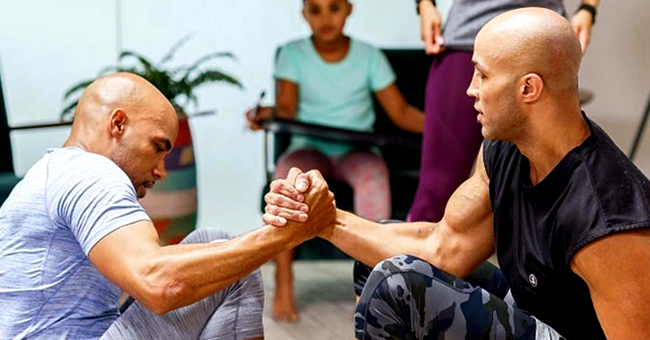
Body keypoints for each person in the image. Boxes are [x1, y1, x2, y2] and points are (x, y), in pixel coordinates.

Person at [263, 8, 650, 340]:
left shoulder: (611, 222)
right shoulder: (504, 149)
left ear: (528, 88)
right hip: (531, 310)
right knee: (381, 256)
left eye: (481, 75)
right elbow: (443, 247)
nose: (469, 90)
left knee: (396, 284)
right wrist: (326, 222)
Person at [0, 72, 335, 340]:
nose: (161, 170)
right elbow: (158, 283)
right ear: (118, 125)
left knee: (219, 253)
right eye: (158, 147)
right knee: (227, 260)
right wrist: (286, 235)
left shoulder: (54, 171)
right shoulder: (91, 172)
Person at [245, 0, 424, 322]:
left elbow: (400, 112)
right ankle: (284, 279)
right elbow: (285, 109)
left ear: (348, 9)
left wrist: (448, 133)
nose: (325, 18)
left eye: (333, 8)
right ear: (304, 15)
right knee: (288, 175)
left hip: (357, 150)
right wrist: (265, 113)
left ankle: (371, 288)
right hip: (309, 147)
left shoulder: (369, 56)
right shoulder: (293, 53)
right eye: (315, 10)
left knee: (374, 178)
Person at [408, 0, 601, 223]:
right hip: (468, 35)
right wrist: (425, 4)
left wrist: (588, 8)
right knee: (437, 190)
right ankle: (409, 257)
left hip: (539, 41)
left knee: (548, 188)